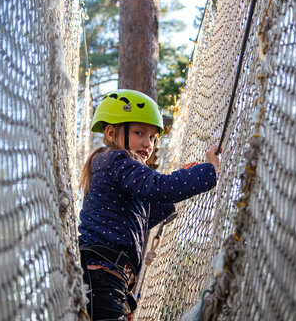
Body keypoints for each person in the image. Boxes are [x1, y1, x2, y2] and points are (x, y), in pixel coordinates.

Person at [78, 89, 220, 320]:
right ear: (112, 132)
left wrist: (182, 179)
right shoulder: (118, 159)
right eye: (139, 133)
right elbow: (159, 187)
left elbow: (141, 215)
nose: (148, 143)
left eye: (153, 137)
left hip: (106, 277)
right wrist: (207, 172)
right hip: (102, 278)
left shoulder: (111, 164)